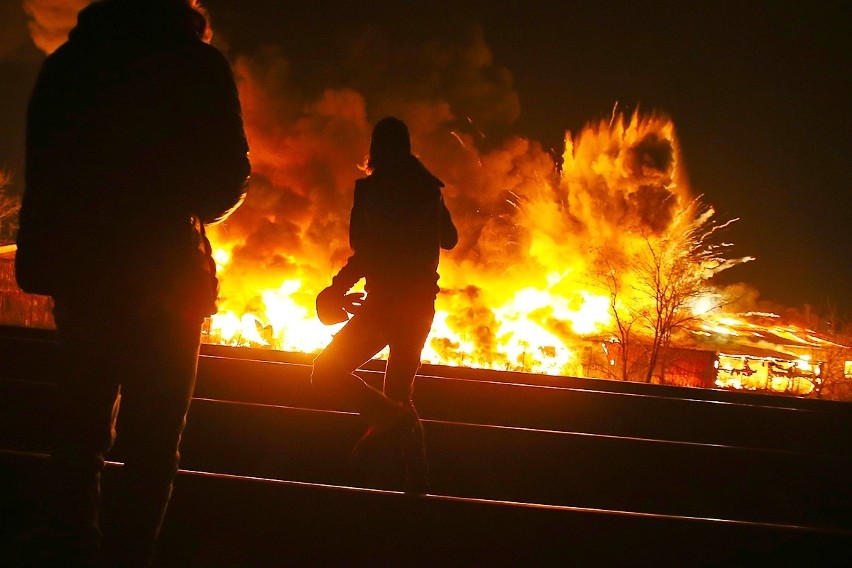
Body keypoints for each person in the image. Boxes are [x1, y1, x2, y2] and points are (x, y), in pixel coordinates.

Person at [14, 0, 249, 565]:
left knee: (78, 438)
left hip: (87, 275)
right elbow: (229, 177)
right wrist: (183, 213)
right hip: (167, 276)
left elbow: (43, 172)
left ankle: (72, 553)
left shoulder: (71, 64)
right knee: (152, 449)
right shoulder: (198, 64)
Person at [311, 116, 457, 494]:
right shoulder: (428, 188)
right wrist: (431, 194)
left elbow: (366, 253)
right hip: (421, 306)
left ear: (375, 150)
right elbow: (451, 240)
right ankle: (418, 487)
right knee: (399, 395)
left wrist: (335, 289)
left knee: (326, 374)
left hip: (384, 306)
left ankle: (390, 422)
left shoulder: (374, 190)